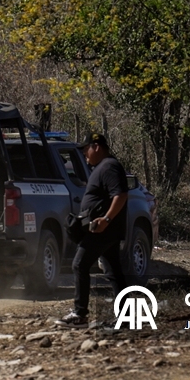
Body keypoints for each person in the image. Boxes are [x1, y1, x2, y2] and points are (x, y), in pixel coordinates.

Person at [56, 132, 128, 327]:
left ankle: (80, 314)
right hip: (104, 229)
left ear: (96, 146)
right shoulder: (103, 167)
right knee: (114, 271)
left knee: (79, 264)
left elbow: (120, 194)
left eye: (85, 149)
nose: (84, 154)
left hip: (103, 229)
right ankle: (126, 316)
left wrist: (106, 219)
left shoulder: (109, 166)